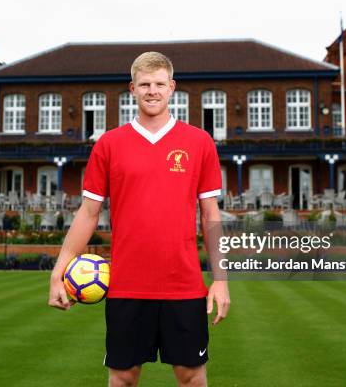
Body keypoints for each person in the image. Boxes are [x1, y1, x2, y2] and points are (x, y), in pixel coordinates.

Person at [49, 51, 230, 387]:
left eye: (159, 84)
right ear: (132, 88)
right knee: (123, 377)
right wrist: (58, 272)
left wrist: (220, 279)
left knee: (192, 377)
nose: (152, 91)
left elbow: (210, 215)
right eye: (144, 84)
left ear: (172, 87)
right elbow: (88, 213)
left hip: (184, 285)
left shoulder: (199, 142)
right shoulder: (109, 144)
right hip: (127, 285)